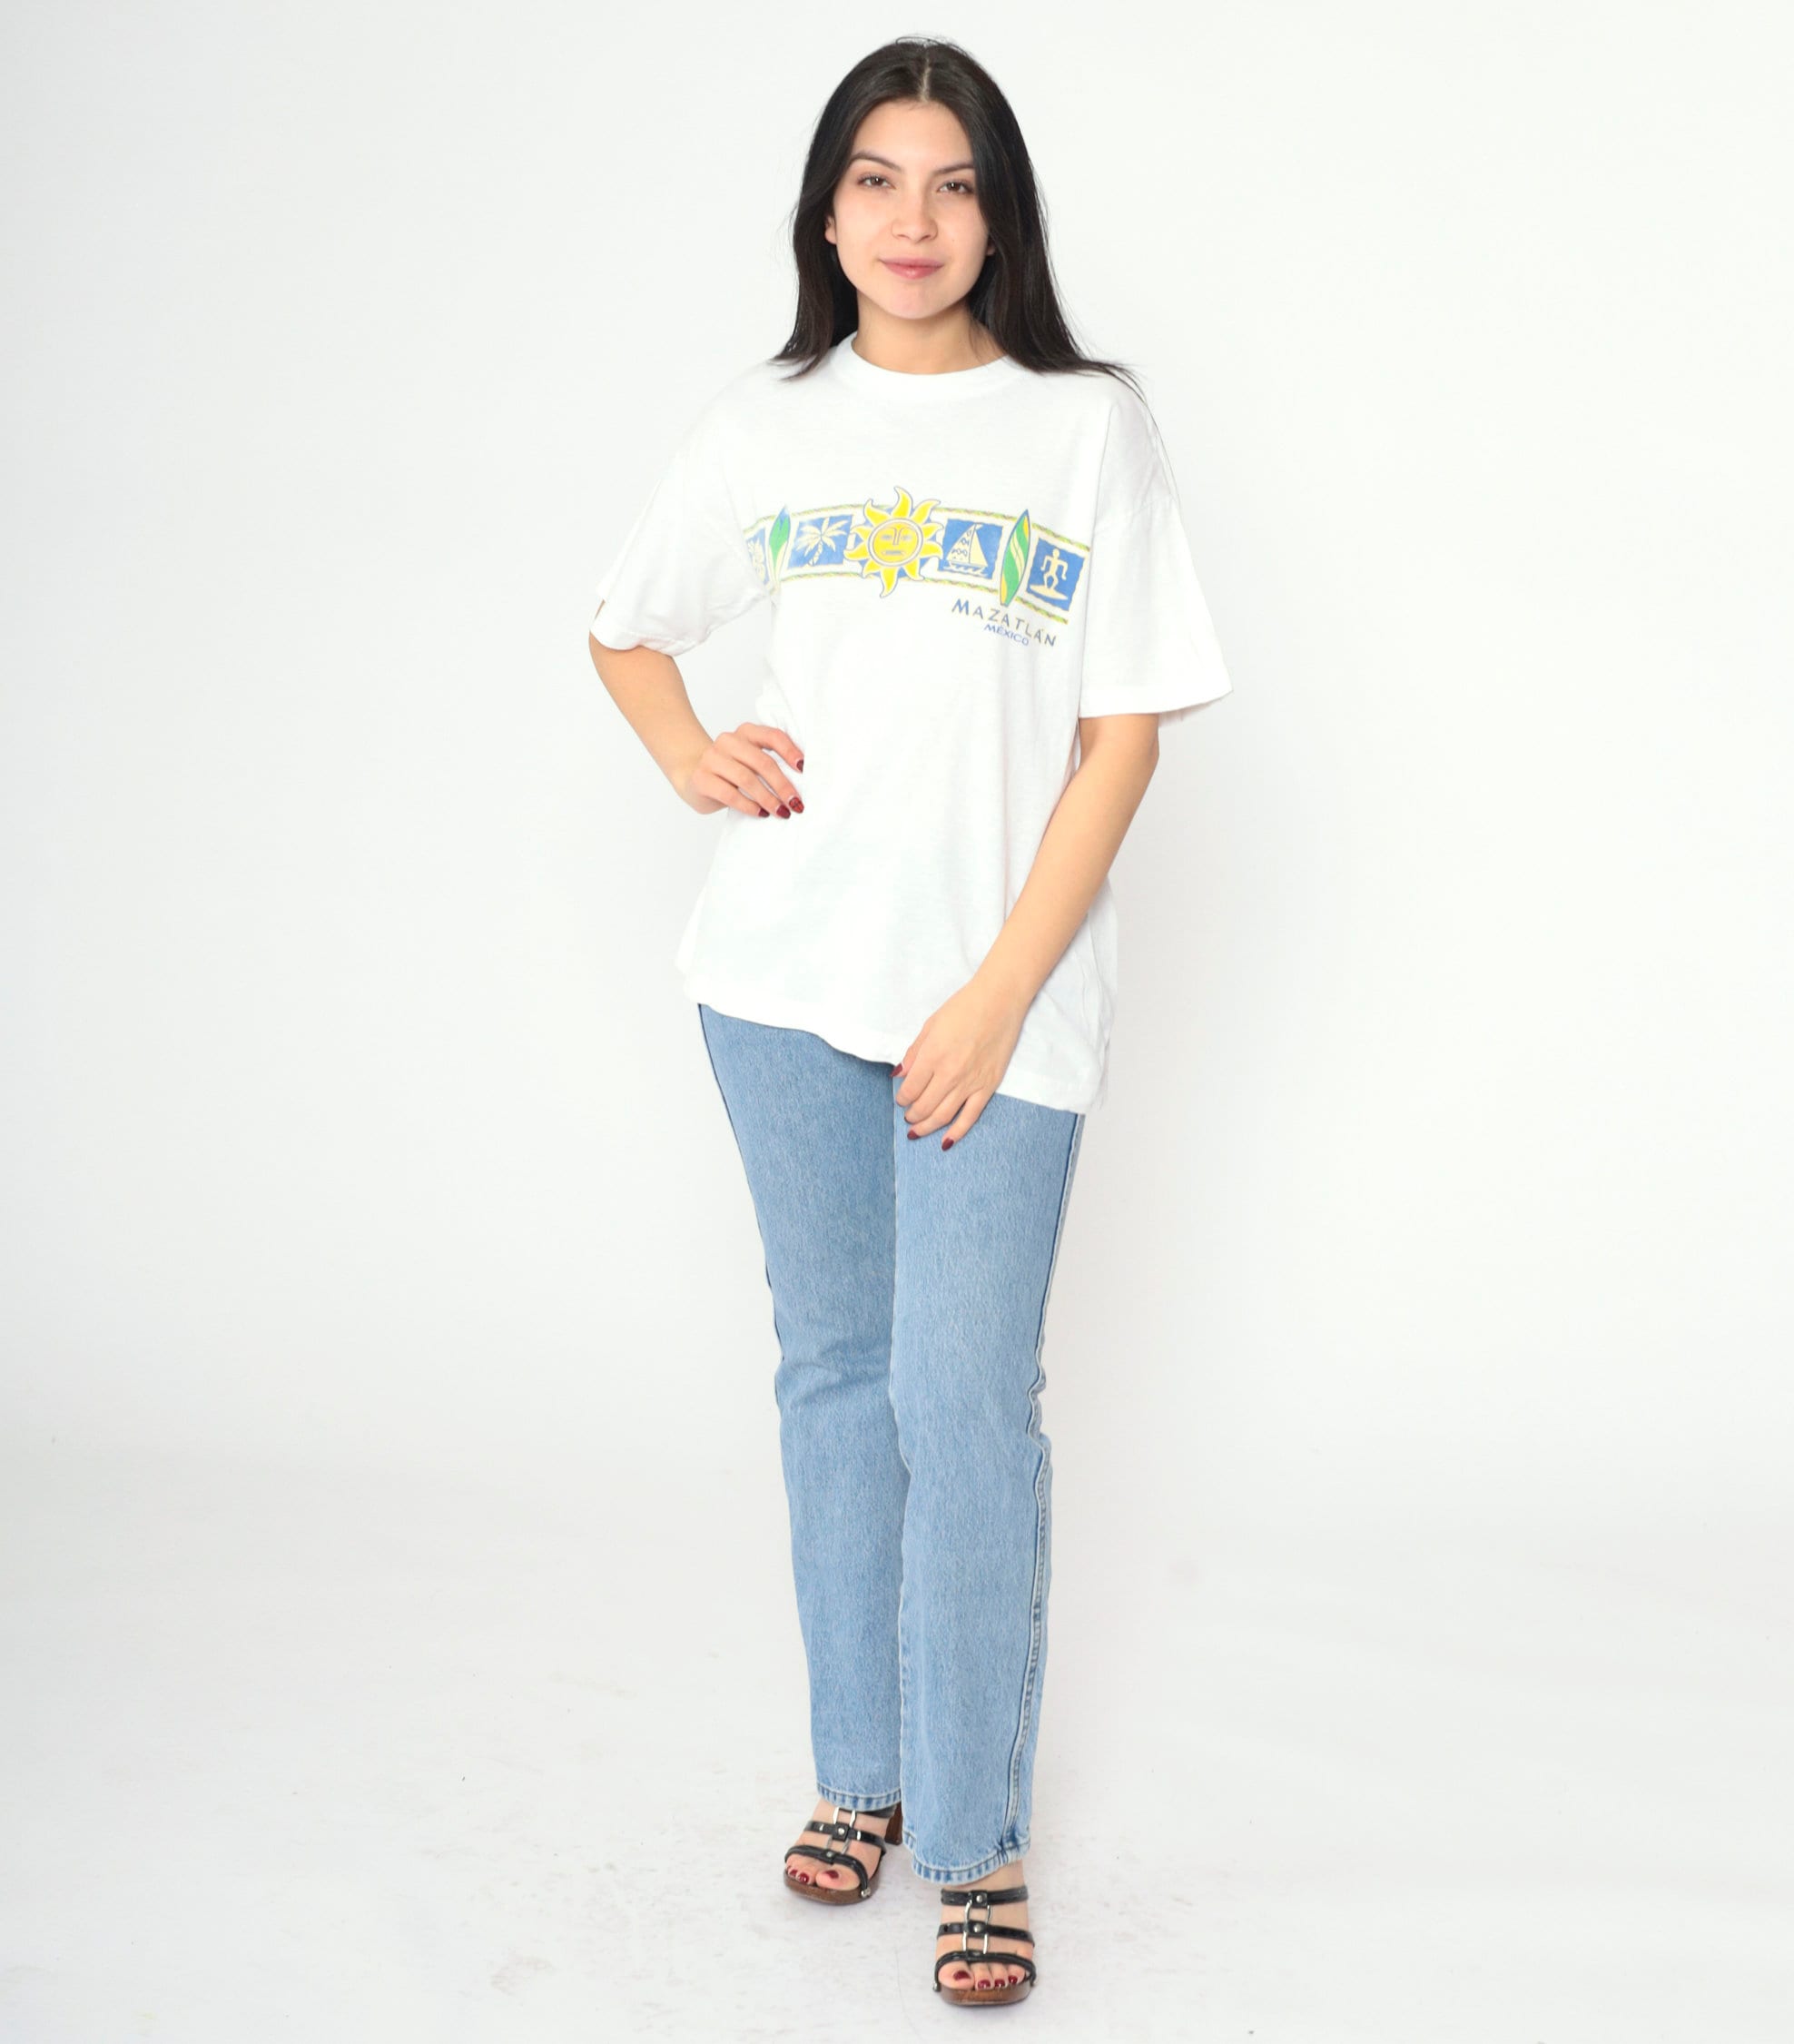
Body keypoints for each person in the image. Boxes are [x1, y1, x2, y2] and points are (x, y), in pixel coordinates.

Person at [586, 35, 1233, 2008]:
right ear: (826, 212)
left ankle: (974, 1835)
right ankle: (856, 1776)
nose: (914, 220)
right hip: (780, 979)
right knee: (836, 1381)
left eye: (953, 183)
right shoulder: (763, 427)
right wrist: (690, 751)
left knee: (963, 1405)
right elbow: (626, 623)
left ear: (999, 215)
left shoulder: (1084, 430)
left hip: (997, 994)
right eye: (875, 179)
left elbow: (1123, 739)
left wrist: (997, 990)